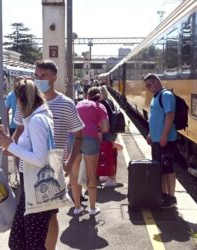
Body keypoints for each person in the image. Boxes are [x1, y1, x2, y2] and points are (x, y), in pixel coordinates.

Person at [12, 59, 84, 250]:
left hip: (51, 169)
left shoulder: (66, 104)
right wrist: (13, 155)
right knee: (30, 212)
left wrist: (69, 164)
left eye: (43, 76)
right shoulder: (27, 102)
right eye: (36, 75)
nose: (39, 79)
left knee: (50, 214)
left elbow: (79, 136)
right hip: (26, 168)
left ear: (54, 77)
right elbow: (19, 131)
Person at [0, 79, 55, 249]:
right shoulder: (37, 118)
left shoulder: (37, 121)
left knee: (32, 243)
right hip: (31, 186)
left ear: (22, 100)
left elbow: (39, 158)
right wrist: (12, 148)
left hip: (36, 188)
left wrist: (12, 146)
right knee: (18, 242)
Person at [72, 87, 109, 216]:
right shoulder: (100, 106)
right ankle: (92, 209)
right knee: (91, 173)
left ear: (87, 96)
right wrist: (97, 129)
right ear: (100, 97)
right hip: (90, 139)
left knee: (75, 174)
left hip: (73, 138)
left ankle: (77, 207)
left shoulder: (79, 104)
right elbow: (105, 128)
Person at [144, 73, 177, 209]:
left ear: (156, 82)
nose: (147, 88)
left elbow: (170, 115)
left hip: (166, 140)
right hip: (157, 140)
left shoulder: (166, 95)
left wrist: (164, 135)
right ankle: (163, 195)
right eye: (146, 86)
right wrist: (151, 133)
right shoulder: (155, 97)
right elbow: (155, 117)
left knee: (168, 168)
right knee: (160, 169)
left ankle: (171, 197)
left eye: (149, 85)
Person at [99, 85, 122, 187]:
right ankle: (109, 176)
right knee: (111, 154)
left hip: (107, 132)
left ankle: (112, 178)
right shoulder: (110, 102)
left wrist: (100, 132)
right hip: (113, 131)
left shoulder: (102, 104)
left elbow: (103, 121)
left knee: (108, 156)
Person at [5, 76, 24, 185]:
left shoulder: (10, 95)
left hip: (14, 127)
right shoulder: (25, 93)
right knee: (21, 151)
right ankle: (20, 175)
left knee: (16, 152)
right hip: (19, 127)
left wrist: (7, 124)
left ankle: (19, 176)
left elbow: (6, 110)